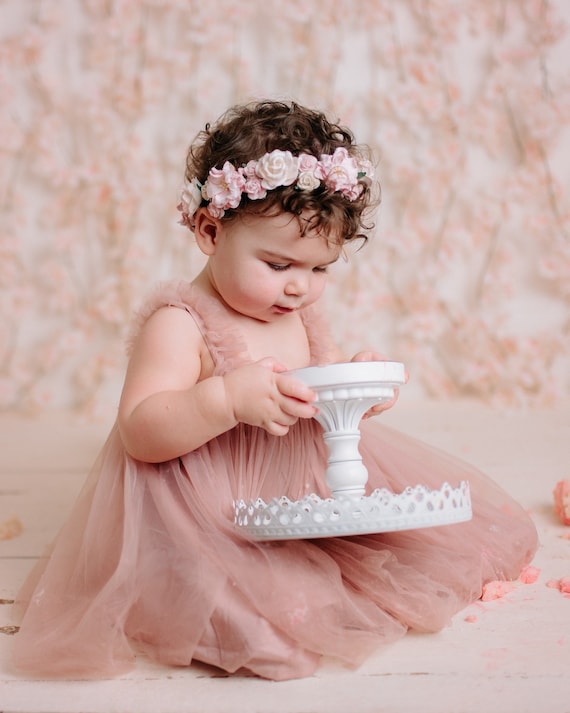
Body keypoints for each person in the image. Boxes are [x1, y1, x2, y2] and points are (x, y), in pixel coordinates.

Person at [13, 100, 537, 681]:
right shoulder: (180, 321)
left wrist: (355, 388)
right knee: (245, 601)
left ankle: (293, 585)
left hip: (297, 491)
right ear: (210, 232)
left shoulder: (302, 316)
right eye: (278, 263)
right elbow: (141, 429)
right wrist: (225, 400)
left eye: (319, 270)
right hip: (200, 513)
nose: (298, 289)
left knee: (419, 552)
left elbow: (319, 400)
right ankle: (238, 617)